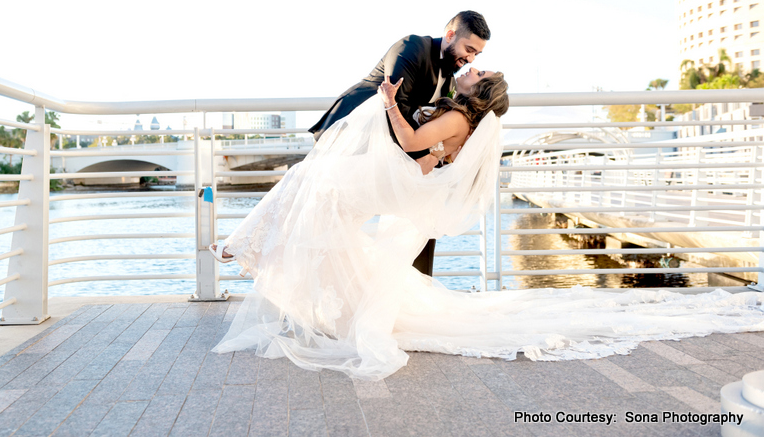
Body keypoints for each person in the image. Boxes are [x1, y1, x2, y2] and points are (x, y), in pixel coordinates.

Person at [209, 71, 764, 381]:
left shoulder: (457, 115)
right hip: (391, 183)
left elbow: (407, 143)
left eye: (477, 73)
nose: (469, 70)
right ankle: (255, 252)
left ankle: (248, 249)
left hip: (385, 179)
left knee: (313, 184)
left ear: (477, 95)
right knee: (314, 194)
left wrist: (389, 104)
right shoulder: (463, 120)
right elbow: (425, 159)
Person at [308, 10, 491, 277]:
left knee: (421, 210)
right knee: (320, 217)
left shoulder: (451, 79)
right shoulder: (413, 46)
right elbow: (396, 104)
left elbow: (431, 123)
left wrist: (434, 158)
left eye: (477, 55)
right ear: (450, 35)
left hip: (386, 155)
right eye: (469, 49)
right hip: (352, 140)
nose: (471, 58)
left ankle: (411, 287)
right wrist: (425, 158)